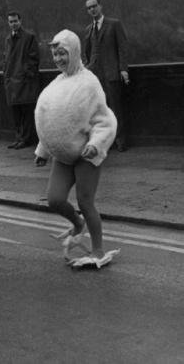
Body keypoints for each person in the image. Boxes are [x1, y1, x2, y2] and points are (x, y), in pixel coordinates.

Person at [34, 29, 120, 269]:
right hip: (62, 155)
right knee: (54, 199)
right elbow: (51, 120)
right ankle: (77, 224)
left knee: (85, 201)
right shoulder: (55, 84)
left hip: (86, 153)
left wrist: (95, 144)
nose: (58, 59)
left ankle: (98, 250)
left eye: (62, 53)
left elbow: (105, 120)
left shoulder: (89, 82)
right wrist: (43, 149)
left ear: (73, 52)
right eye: (55, 54)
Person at [84, 0, 130, 152]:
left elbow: (123, 48)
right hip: (96, 76)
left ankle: (120, 141)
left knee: (116, 108)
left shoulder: (114, 24)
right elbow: (89, 53)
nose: (92, 9)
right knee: (100, 111)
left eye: (94, 6)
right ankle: (106, 142)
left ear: (100, 6)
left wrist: (123, 69)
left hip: (111, 73)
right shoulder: (88, 29)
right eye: (89, 8)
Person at [3, 11, 40, 149]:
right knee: (16, 112)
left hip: (23, 82)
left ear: (20, 21)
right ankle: (19, 138)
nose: (13, 24)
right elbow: (6, 60)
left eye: (15, 21)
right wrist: (6, 75)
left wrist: (26, 74)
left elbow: (34, 59)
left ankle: (26, 139)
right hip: (12, 81)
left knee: (26, 111)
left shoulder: (29, 37)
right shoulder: (8, 39)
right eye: (11, 22)